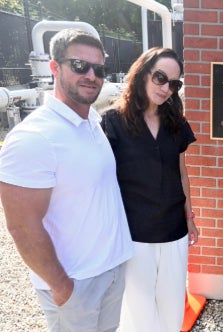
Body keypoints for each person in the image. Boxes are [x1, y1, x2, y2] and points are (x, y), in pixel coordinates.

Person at [0, 29, 133, 331]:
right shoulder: (34, 138)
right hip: (76, 284)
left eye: (98, 69)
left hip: (110, 271)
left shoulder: (92, 122)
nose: (91, 75)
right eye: (78, 65)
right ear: (54, 67)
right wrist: (62, 287)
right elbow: (21, 226)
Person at [101, 47, 199, 332]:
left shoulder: (176, 125)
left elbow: (181, 172)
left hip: (174, 230)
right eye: (160, 77)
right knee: (140, 312)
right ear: (142, 73)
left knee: (171, 311)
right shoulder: (113, 122)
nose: (166, 88)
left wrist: (189, 217)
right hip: (133, 233)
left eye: (174, 83)